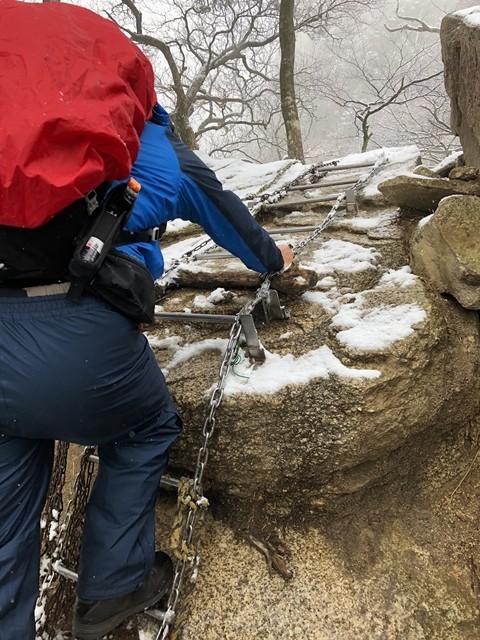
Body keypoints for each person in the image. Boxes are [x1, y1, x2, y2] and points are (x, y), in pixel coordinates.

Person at [0, 46, 294, 640]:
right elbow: (230, 217)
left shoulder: (21, 143)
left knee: (5, 514)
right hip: (81, 333)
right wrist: (273, 259)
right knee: (146, 428)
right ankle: (112, 587)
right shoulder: (154, 145)